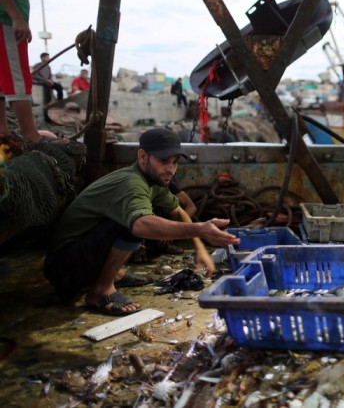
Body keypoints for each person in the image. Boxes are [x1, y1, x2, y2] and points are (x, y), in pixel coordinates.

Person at [45, 128, 240, 316]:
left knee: (143, 219)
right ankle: (101, 291)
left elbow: (180, 212)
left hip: (77, 256)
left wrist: (200, 247)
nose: (171, 169)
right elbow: (140, 225)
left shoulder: (153, 182)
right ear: (142, 157)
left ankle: (114, 275)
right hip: (64, 268)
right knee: (133, 225)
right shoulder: (132, 183)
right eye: (164, 161)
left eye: (174, 162)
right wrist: (201, 229)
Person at [0, 0, 42, 145]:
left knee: (2, 81)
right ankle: (31, 135)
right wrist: (16, 17)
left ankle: (2, 129)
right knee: (18, 80)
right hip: (6, 22)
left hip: (5, 21)